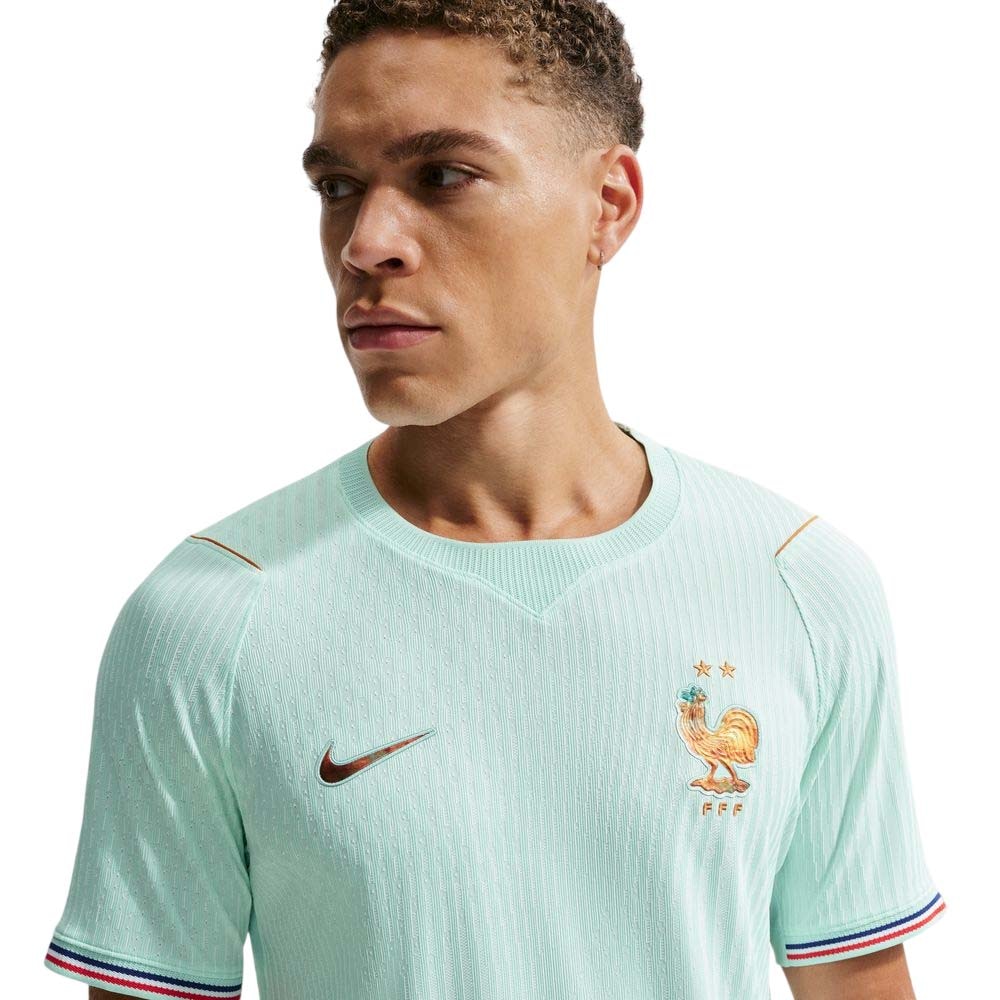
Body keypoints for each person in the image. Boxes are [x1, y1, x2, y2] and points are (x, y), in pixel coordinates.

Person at [43, 3, 946, 999]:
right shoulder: (210, 617)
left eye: (442, 176)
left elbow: (855, 981)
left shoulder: (797, 586)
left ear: (608, 205)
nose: (365, 244)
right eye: (338, 187)